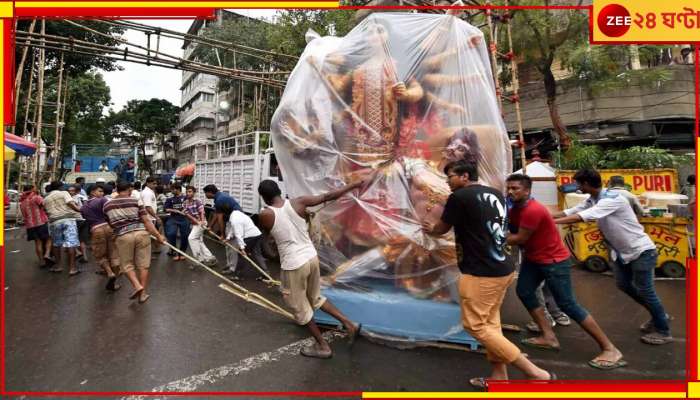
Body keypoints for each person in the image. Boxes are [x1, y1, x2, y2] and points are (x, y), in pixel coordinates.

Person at [422, 161, 554, 389]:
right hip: (502, 266)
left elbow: (441, 229)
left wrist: (428, 227)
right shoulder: (494, 193)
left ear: (464, 176)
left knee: (476, 326)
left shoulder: (460, 197)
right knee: (491, 324)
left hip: (481, 271)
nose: (447, 181)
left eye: (450, 176)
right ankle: (499, 376)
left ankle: (536, 373)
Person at [505, 173, 625, 369]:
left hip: (553, 261)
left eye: (515, 188)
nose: (511, 192)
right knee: (524, 291)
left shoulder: (532, 210)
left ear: (527, 190)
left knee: (568, 304)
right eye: (508, 188)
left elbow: (519, 238)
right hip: (534, 259)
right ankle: (548, 335)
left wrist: (490, 239)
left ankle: (610, 348)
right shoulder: (515, 208)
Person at [554, 169, 672, 345]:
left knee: (646, 290)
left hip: (640, 251)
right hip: (622, 252)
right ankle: (659, 314)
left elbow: (581, 216)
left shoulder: (611, 199)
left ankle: (663, 329)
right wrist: (545, 216)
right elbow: (573, 210)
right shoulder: (593, 198)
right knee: (624, 285)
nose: (577, 187)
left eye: (579, 183)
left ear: (586, 183)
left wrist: (548, 222)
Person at [257, 179, 363, 359]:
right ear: (278, 191)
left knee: (300, 308)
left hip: (293, 263)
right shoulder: (299, 202)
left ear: (264, 198)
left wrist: (274, 254)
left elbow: (267, 243)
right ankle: (349, 323)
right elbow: (329, 196)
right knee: (315, 298)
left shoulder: (265, 214)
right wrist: (354, 184)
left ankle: (323, 346)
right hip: (310, 257)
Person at [103, 181, 166, 304]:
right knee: (143, 265)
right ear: (129, 189)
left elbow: (110, 223)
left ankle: (137, 286)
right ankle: (142, 294)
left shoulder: (107, 205)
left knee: (126, 265)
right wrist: (158, 236)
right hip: (142, 234)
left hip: (123, 236)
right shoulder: (135, 201)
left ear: (117, 189)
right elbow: (146, 220)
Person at [81, 184, 121, 291]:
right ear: (92, 192)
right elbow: (112, 211)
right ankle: (114, 278)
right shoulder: (102, 200)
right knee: (113, 252)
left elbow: (86, 219)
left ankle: (109, 272)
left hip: (96, 230)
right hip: (108, 227)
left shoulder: (83, 207)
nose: (102, 193)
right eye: (99, 191)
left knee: (100, 255)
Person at [43, 181, 82, 276]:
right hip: (68, 220)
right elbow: (70, 203)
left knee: (56, 244)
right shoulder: (64, 193)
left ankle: (58, 266)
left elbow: (46, 211)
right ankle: (72, 269)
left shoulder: (46, 198)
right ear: (61, 187)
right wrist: (79, 210)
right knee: (71, 244)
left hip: (54, 222)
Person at [224, 208, 270, 280]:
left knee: (241, 255)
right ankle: (266, 273)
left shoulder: (234, 220)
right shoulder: (237, 213)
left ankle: (238, 275)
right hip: (257, 234)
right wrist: (228, 237)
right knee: (257, 254)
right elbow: (234, 228)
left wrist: (242, 249)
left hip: (250, 236)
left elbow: (239, 235)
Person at [182, 186, 217, 266]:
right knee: (199, 241)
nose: (188, 193)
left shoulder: (197, 201)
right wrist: (195, 221)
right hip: (194, 223)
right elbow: (187, 215)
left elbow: (202, 212)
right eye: (187, 192)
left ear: (194, 193)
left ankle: (199, 259)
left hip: (202, 223)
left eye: (190, 191)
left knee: (191, 238)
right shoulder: (185, 203)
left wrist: (201, 221)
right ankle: (210, 258)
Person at [19, 185, 53, 267]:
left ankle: (41, 261)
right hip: (41, 222)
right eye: (34, 188)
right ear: (31, 189)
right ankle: (47, 254)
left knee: (38, 243)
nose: (36, 189)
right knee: (49, 238)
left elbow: (24, 215)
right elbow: (44, 206)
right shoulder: (36, 197)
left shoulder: (22, 202)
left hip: (30, 225)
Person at [164, 183, 190, 261]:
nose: (171, 191)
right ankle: (173, 250)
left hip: (184, 219)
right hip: (173, 218)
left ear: (177, 189)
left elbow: (190, 206)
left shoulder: (185, 197)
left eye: (173, 189)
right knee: (171, 234)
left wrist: (185, 210)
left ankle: (182, 252)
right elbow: (166, 209)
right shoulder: (169, 198)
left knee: (185, 236)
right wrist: (175, 211)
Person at [67, 184, 89, 264]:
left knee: (73, 238)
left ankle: (77, 252)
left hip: (74, 220)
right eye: (69, 191)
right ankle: (85, 256)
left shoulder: (69, 199)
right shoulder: (83, 197)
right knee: (82, 240)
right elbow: (86, 207)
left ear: (76, 191)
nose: (70, 192)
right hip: (84, 219)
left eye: (72, 190)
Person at [140, 177, 162, 254]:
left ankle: (150, 251)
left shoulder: (149, 192)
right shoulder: (147, 193)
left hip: (150, 217)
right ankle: (148, 253)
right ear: (148, 183)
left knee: (151, 235)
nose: (155, 185)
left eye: (156, 183)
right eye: (153, 184)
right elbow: (148, 207)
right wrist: (156, 217)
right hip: (149, 218)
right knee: (150, 236)